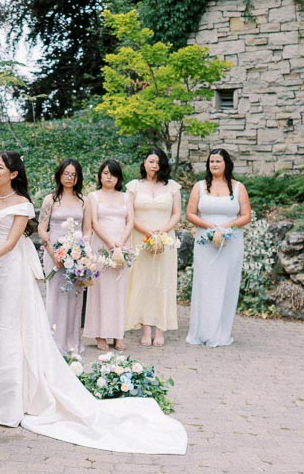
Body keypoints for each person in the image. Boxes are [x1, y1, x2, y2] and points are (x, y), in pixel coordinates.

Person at [0, 151, 186, 454]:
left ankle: (9, 397)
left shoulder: (22, 204)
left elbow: (12, 241)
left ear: (13, 174)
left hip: (7, 269)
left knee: (8, 329)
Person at [185, 148, 251, 347]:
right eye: (211, 161)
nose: (214, 164)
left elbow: (246, 215)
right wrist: (210, 227)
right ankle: (203, 331)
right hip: (205, 242)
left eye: (218, 161)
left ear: (226, 164)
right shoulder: (200, 186)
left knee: (226, 284)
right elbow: (191, 214)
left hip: (231, 242)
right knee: (206, 284)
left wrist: (226, 228)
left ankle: (221, 332)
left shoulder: (239, 187)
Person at [124, 148, 182, 347]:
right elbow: (129, 214)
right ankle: (146, 327)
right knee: (143, 283)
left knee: (162, 282)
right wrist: (147, 232)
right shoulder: (133, 186)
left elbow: (176, 213)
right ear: (144, 163)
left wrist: (161, 232)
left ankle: (161, 328)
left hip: (165, 239)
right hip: (140, 237)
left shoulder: (172, 187)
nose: (154, 166)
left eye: (157, 162)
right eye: (150, 161)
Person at [83, 159, 132, 352]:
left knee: (119, 291)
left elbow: (130, 220)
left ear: (118, 176)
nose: (108, 177)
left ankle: (118, 334)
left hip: (122, 245)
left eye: (112, 173)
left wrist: (121, 242)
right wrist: (110, 243)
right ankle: (100, 334)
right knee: (101, 291)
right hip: (101, 246)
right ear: (100, 176)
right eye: (105, 173)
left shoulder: (126, 197)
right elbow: (94, 222)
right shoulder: (93, 197)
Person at [38, 159, 85, 355]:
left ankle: (71, 341)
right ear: (59, 174)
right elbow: (42, 227)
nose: (69, 177)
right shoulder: (51, 199)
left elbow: (87, 229)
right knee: (56, 295)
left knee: (74, 297)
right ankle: (53, 341)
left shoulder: (83, 200)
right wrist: (53, 252)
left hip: (76, 253)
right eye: (66, 173)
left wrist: (83, 254)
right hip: (54, 250)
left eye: (73, 174)